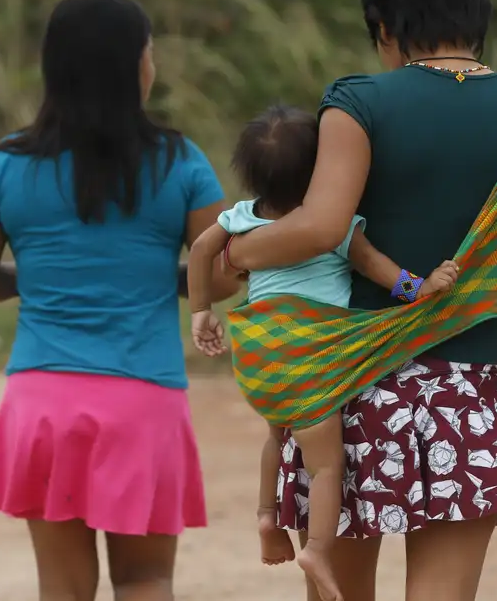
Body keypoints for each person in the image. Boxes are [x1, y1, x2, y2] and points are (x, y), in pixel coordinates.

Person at [222, 0, 497, 601]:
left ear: (386, 28)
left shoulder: (357, 102)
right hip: (469, 398)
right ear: (477, 18)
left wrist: (236, 253)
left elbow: (323, 225)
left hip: (353, 388)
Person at [0, 0, 239, 601]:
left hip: (42, 400)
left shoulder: (4, 164)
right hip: (142, 400)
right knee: (145, 579)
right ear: (137, 66)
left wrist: (40, 279)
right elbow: (226, 272)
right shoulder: (180, 162)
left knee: (63, 588)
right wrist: (160, 278)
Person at [185, 105, 460, 594]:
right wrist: (422, 287)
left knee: (277, 437)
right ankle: (317, 548)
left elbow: (203, 251)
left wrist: (201, 310)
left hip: (261, 358)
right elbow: (379, 269)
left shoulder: (241, 219)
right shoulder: (334, 228)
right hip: (310, 360)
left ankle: (268, 519)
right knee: (326, 463)